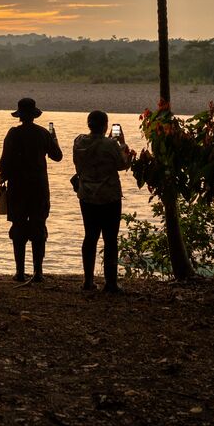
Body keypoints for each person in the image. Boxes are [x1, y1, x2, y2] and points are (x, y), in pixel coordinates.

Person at [0, 97, 63, 283]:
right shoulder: (43, 134)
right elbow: (57, 156)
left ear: (19, 115)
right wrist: (54, 139)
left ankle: (19, 272)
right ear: (34, 115)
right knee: (38, 227)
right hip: (39, 188)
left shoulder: (13, 134)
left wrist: (3, 175)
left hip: (18, 188)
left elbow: (5, 162)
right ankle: (38, 272)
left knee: (18, 227)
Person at [73, 111, 131, 293]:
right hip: (109, 197)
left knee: (90, 236)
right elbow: (123, 164)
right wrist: (122, 143)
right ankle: (110, 282)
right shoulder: (111, 144)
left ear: (88, 124)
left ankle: (88, 281)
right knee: (110, 239)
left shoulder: (79, 142)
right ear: (106, 125)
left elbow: (80, 161)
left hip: (87, 196)